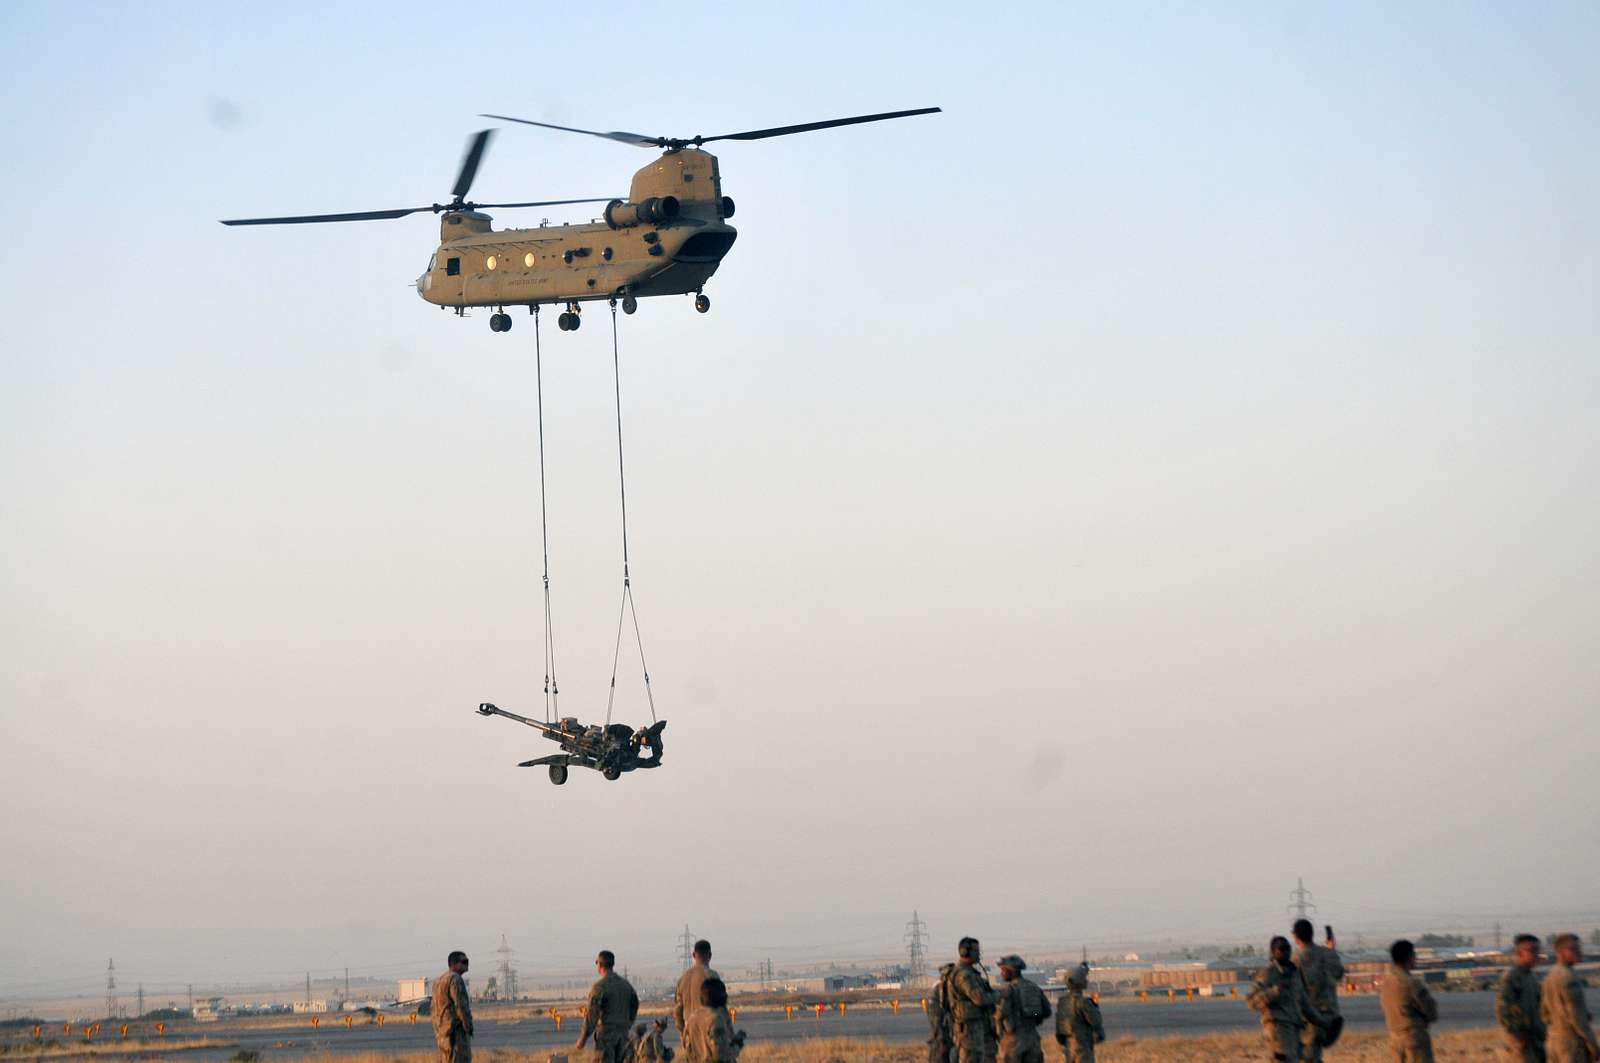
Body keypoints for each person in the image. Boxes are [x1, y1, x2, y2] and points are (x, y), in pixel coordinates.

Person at [1249, 936, 1328, 1062]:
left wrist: (1321, 1021)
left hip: (1295, 1029)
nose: (1286, 952)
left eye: (1288, 948)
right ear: (1274, 952)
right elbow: (1252, 1002)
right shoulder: (1268, 973)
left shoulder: (1294, 973)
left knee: (1311, 1057)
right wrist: (1273, 991)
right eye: (1282, 949)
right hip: (1277, 1029)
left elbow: (1304, 1003)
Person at [1542, 934, 1599, 1063]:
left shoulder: (1550, 976)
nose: (1579, 952)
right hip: (1571, 1044)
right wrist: (1592, 1044)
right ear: (1561, 952)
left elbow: (1544, 1013)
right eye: (1574, 949)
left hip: (1553, 1041)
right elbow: (1577, 1018)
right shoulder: (1569, 978)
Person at [1293, 920, 1345, 1063]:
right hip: (1331, 1017)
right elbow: (1338, 973)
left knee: (1309, 1058)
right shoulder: (1328, 954)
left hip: (1311, 1019)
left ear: (1295, 937)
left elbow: (1295, 991)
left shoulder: (1296, 960)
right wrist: (1331, 950)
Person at [575, 950, 639, 1063]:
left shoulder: (600, 987)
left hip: (607, 1037)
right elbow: (635, 1004)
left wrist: (582, 1039)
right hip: (623, 1036)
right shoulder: (626, 985)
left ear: (599, 965)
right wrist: (628, 1023)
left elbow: (592, 1015)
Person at [1380, 939, 1438, 1063]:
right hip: (1414, 1037)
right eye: (1414, 955)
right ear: (1409, 957)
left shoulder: (1386, 983)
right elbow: (1432, 1012)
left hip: (1395, 1039)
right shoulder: (1412, 983)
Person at [945, 937, 997, 1063]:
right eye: (976, 950)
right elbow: (980, 999)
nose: (979, 954)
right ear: (965, 952)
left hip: (974, 1030)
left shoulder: (970, 973)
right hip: (968, 1032)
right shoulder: (964, 975)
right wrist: (999, 995)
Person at [1497, 934, 1547, 1062]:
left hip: (1535, 1039)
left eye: (1538, 950)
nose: (1536, 955)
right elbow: (1503, 1009)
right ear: (1519, 953)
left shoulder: (1531, 977)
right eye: (1532, 951)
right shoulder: (1512, 977)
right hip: (1520, 1040)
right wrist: (1515, 1033)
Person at [993, 955, 1049, 1063]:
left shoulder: (1009, 990)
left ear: (1011, 971)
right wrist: (1035, 1017)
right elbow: (1046, 1011)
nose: (1001, 973)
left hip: (1014, 1041)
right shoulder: (1033, 987)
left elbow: (1000, 1015)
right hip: (1033, 1038)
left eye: (1003, 970)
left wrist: (1000, 1037)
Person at [681, 977, 744, 1062]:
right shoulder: (716, 1020)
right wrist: (737, 1046)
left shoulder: (692, 1018)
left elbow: (687, 1049)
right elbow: (721, 1056)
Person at [430, 951, 475, 1063]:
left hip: (442, 1033)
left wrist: (438, 1030)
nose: (467, 964)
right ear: (454, 964)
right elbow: (460, 1005)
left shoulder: (438, 981)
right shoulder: (455, 979)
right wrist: (468, 1026)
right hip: (455, 1033)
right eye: (464, 962)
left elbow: (433, 1008)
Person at [1055, 965, 1104, 1063]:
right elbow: (1096, 1021)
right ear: (1080, 982)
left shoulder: (1063, 1002)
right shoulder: (1083, 1002)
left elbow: (1059, 1029)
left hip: (1068, 1046)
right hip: (1082, 1045)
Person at [674, 940, 721, 1039]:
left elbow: (678, 1011)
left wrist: (684, 1032)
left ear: (694, 955)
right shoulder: (711, 976)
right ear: (710, 955)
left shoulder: (683, 979)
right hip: (707, 1034)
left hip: (689, 1034)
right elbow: (719, 1008)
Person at [927, 962, 956, 1063]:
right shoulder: (939, 989)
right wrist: (942, 1041)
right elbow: (937, 1020)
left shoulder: (945, 987)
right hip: (941, 1040)